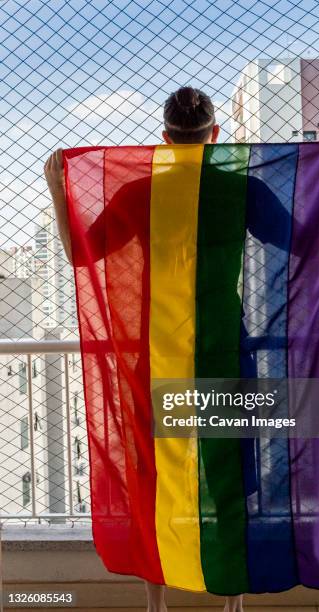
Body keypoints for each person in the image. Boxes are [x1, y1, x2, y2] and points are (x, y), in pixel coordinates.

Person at [44, 86, 244, 612]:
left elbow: (81, 254)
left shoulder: (139, 193)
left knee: (152, 473)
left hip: (153, 355)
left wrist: (56, 187)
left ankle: (156, 604)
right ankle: (233, 604)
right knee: (225, 474)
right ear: (214, 137)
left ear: (164, 140)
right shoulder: (239, 190)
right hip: (222, 348)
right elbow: (300, 236)